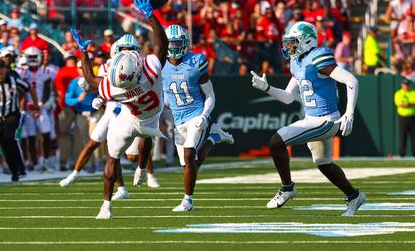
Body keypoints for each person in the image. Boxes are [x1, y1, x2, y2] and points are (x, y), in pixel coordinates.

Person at [250, 21, 366, 216]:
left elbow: (351, 80)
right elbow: (288, 97)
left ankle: (287, 188)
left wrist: (349, 113)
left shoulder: (318, 57)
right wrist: (267, 88)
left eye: (293, 42)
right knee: (324, 164)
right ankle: (354, 196)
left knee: (276, 142)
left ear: (307, 41)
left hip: (325, 120)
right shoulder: (297, 62)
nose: (289, 47)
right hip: (312, 118)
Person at [74, 0, 168, 219]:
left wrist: (84, 53)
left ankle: (106, 206)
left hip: (128, 117)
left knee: (112, 158)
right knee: (146, 136)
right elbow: (162, 43)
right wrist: (150, 16)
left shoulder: (111, 87)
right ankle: (142, 169)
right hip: (151, 114)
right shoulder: (150, 71)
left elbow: (90, 79)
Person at [59, 39, 161, 195]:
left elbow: (97, 83)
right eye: (123, 49)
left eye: (130, 49)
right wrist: (99, 97)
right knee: (105, 147)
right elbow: (98, 85)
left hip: (128, 111)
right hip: (115, 109)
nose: (126, 52)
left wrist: (95, 88)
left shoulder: (142, 68)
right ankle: (114, 185)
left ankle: (146, 173)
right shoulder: (111, 67)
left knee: (134, 147)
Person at [161, 25, 234, 212]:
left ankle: (188, 201)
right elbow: (165, 97)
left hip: (196, 114)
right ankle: (215, 137)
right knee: (190, 164)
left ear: (185, 44)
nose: (175, 47)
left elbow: (210, 94)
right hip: (178, 119)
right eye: (171, 43)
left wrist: (204, 115)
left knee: (189, 154)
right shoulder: (160, 64)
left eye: (178, 43)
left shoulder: (196, 61)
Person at [0, 58, 39, 181]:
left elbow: (30, 89)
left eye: (1, 68)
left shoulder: (14, 81)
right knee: (5, 143)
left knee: (8, 138)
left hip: (12, 114)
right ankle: (15, 171)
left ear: (6, 69)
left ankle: (20, 168)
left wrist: (36, 107)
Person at [19, 47, 53, 172]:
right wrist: (24, 105)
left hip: (40, 107)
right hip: (27, 109)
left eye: (35, 57)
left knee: (46, 133)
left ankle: (46, 160)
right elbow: (20, 90)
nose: (33, 60)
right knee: (30, 136)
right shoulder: (23, 72)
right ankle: (33, 162)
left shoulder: (45, 71)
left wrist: (40, 103)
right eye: (30, 57)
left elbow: (47, 90)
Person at [394, 78, 415, 157]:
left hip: (413, 117)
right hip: (403, 118)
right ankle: (402, 154)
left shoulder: (413, 92)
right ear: (402, 85)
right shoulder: (398, 93)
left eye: (407, 85)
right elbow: (400, 104)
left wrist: (408, 104)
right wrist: (409, 104)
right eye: (405, 84)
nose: (406, 86)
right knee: (403, 136)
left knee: (413, 136)